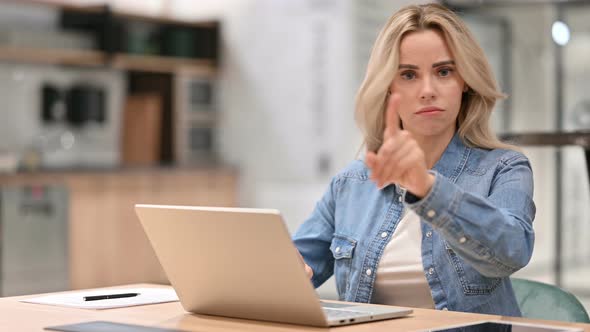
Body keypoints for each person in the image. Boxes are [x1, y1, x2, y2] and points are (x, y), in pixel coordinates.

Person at [293, 3, 535, 316]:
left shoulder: (504, 168)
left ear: (465, 82)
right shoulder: (351, 183)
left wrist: (428, 189)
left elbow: (511, 251)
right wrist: (283, 270)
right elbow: (296, 264)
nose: (427, 91)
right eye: (408, 74)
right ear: (388, 86)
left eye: (444, 72)